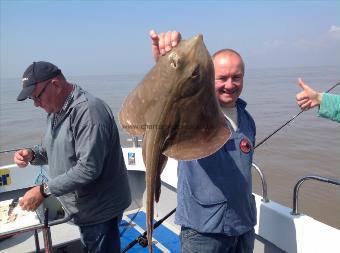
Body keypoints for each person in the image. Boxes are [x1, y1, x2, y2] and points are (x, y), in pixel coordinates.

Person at [150, 30, 256, 253]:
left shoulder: (247, 120)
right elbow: (171, 96)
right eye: (222, 77)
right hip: (203, 231)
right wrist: (165, 62)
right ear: (209, 76)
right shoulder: (193, 112)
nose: (230, 84)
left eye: (236, 77)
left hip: (243, 225)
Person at [14, 61, 131, 253]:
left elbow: (88, 168)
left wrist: (43, 191)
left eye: (37, 96)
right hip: (82, 208)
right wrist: (32, 154)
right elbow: (53, 148)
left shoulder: (89, 112)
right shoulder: (55, 111)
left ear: (56, 85)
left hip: (99, 210)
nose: (35, 104)